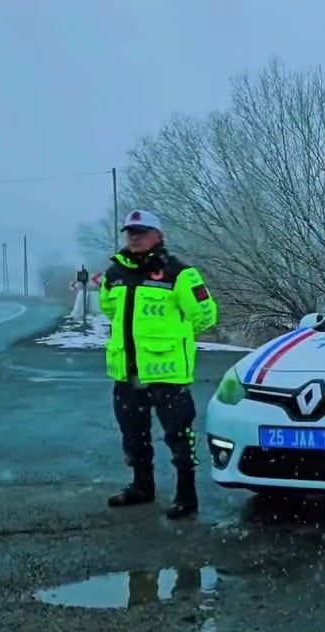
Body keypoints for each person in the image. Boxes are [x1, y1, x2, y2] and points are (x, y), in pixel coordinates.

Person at [101, 210, 218, 519]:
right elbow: (109, 310)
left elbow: (206, 316)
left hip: (168, 375)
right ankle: (142, 487)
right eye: (130, 231)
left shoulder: (179, 273)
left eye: (142, 231)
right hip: (127, 374)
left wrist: (176, 339)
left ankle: (186, 495)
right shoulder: (114, 274)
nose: (134, 236)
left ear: (158, 236)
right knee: (133, 435)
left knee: (179, 437)